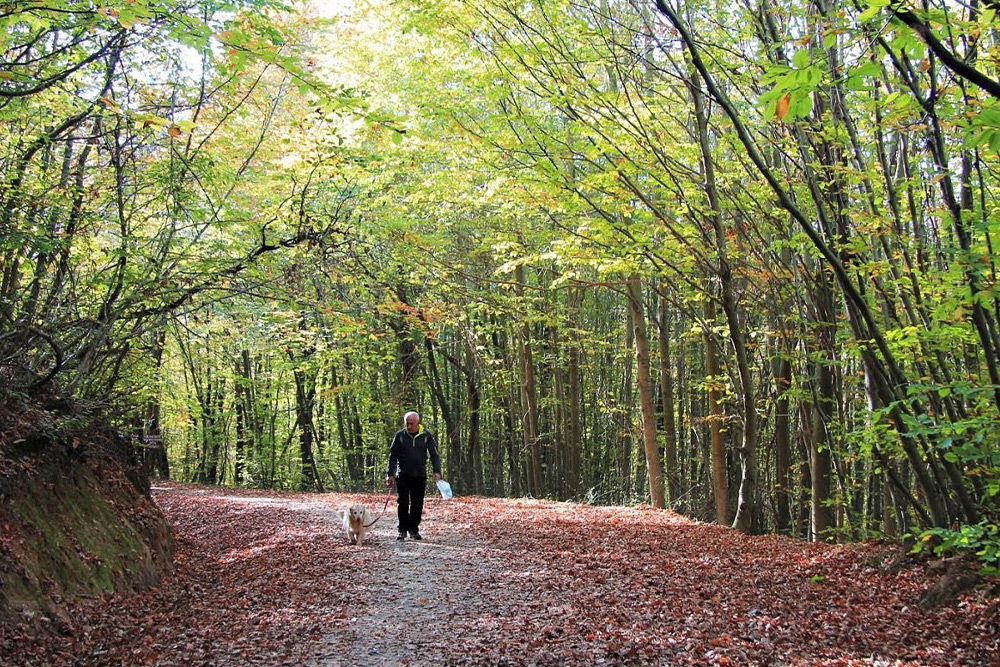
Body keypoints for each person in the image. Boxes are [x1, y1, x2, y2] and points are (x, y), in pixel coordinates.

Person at [385, 411, 441, 541]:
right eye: (407, 423)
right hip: (403, 474)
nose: (409, 426)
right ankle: (402, 529)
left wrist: (436, 471)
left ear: (418, 423)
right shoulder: (400, 436)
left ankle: (414, 529)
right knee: (403, 502)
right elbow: (392, 455)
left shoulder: (426, 436)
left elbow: (434, 454)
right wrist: (390, 473)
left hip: (419, 475)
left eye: (411, 424)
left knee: (417, 503)